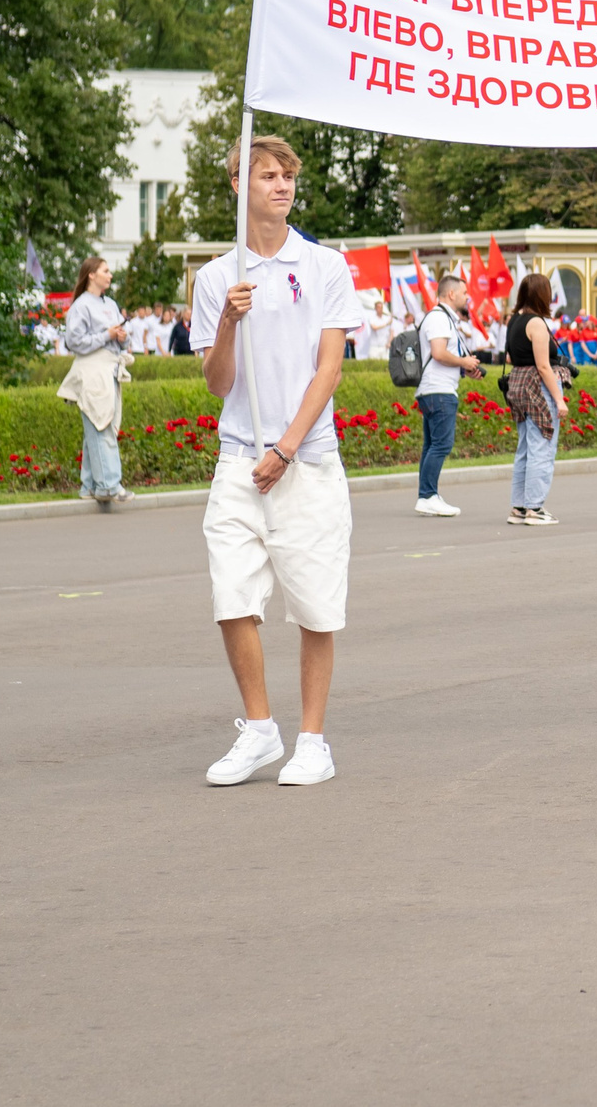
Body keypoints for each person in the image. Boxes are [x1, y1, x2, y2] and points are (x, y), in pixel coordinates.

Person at [193, 134, 364, 788]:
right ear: (239, 184)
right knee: (232, 597)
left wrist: (287, 447)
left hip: (307, 460)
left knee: (315, 606)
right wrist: (229, 322)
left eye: (288, 174)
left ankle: (312, 740)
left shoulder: (323, 265)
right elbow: (216, 381)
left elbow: (329, 369)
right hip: (239, 461)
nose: (282, 185)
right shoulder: (215, 278)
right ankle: (260, 729)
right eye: (267, 174)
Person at [58, 255, 131, 505]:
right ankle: (109, 485)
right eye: (106, 271)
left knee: (101, 424)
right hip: (92, 369)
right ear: (92, 274)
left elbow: (122, 338)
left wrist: (121, 337)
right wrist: (106, 335)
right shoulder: (81, 306)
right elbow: (74, 342)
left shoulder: (110, 304)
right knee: (101, 424)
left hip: (110, 368)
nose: (110, 275)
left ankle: (89, 486)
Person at [411, 274, 478, 518]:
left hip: (434, 389)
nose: (467, 297)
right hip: (439, 390)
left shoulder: (442, 318)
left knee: (432, 445)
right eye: (464, 293)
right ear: (451, 294)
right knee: (441, 445)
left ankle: (428, 495)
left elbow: (440, 355)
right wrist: (464, 361)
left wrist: (465, 367)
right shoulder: (439, 318)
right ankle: (427, 496)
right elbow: (439, 353)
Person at [502, 274, 564, 527]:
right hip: (536, 387)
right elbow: (543, 366)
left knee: (525, 449)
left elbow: (508, 358)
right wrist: (559, 400)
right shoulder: (536, 323)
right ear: (542, 295)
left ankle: (519, 507)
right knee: (542, 448)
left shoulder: (513, 320)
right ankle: (535, 508)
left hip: (517, 384)